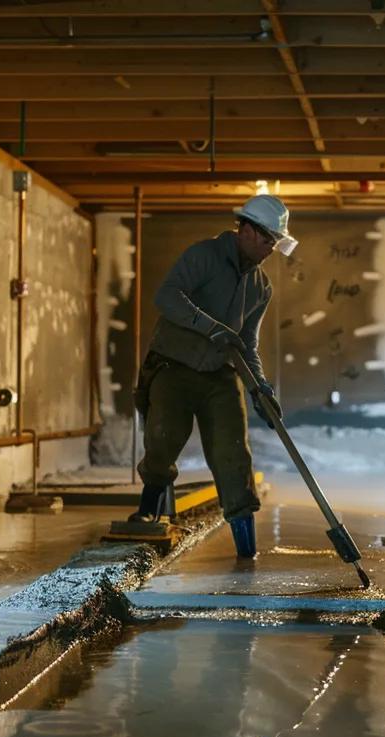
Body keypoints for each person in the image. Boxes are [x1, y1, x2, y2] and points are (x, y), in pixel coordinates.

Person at [130, 194, 295, 558]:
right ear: (247, 230)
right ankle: (146, 511)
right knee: (163, 439)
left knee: (233, 454)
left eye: (275, 241)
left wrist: (260, 389)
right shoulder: (203, 256)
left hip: (219, 374)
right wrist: (210, 327)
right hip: (173, 365)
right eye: (268, 238)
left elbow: (247, 343)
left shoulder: (261, 287)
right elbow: (167, 297)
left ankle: (246, 549)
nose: (271, 247)